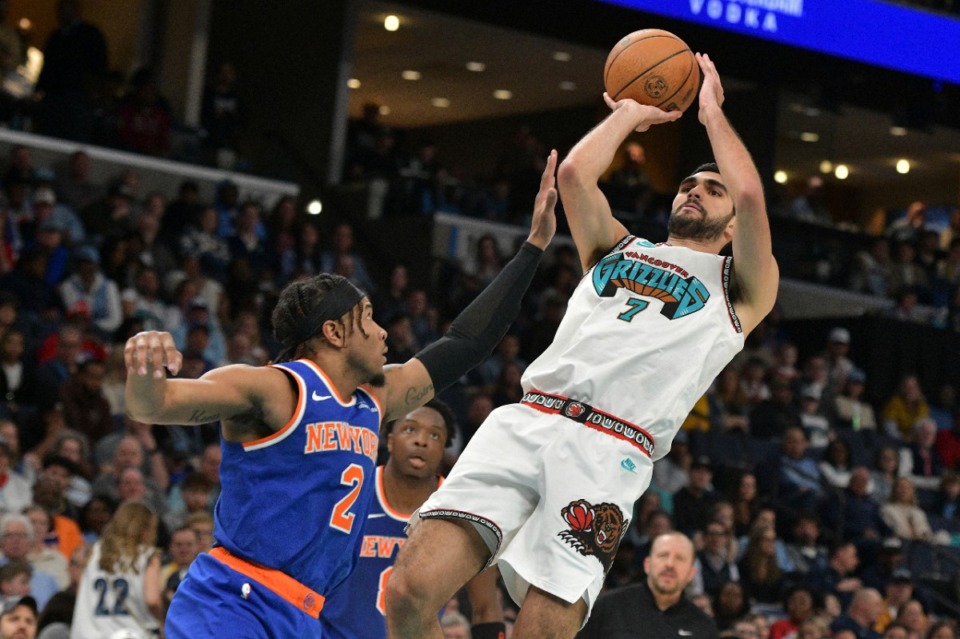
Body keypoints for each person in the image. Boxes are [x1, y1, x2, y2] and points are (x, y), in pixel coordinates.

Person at [386, 52, 778, 638]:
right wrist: (628, 112)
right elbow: (574, 175)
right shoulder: (618, 247)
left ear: (730, 228)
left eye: (710, 189)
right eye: (688, 183)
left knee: (541, 630)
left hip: (610, 450)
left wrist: (712, 114)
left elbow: (750, 193)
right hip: (528, 419)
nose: (694, 191)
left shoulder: (742, 288)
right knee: (408, 591)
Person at [123, 157, 558, 639]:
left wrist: (532, 248)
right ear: (333, 332)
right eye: (367, 317)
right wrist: (144, 364)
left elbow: (467, 344)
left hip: (304, 614)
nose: (381, 331)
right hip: (235, 600)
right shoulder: (275, 388)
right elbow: (152, 406)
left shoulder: (375, 399)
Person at [322, 399, 503, 639]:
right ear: (389, 440)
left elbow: (486, 608)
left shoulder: (461, 512)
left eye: (435, 436)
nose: (422, 440)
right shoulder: (350, 490)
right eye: (410, 429)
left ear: (443, 451)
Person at [575, 532, 718, 638]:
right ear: (647, 565)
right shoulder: (607, 607)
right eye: (663, 555)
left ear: (691, 573)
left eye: (680, 559)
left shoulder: (704, 627)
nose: (670, 564)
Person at [70, 502, 162, 638]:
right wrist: (162, 621)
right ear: (145, 529)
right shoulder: (147, 555)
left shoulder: (91, 552)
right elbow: (152, 599)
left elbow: (77, 585)